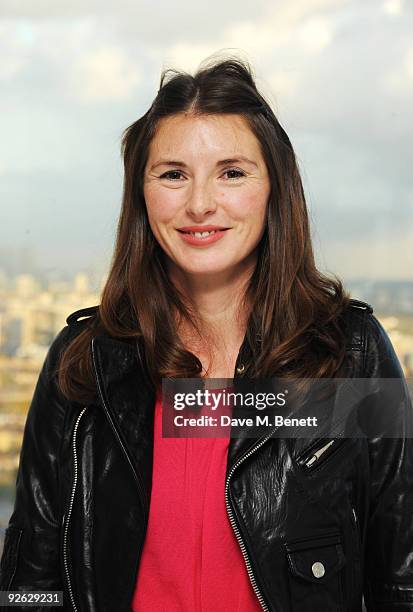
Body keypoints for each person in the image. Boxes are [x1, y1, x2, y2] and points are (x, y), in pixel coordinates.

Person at [0, 56, 412, 612]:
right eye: (172, 174)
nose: (199, 204)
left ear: (275, 188)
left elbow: (400, 576)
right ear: (142, 195)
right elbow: (31, 581)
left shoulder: (348, 354)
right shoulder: (85, 362)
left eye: (232, 172)